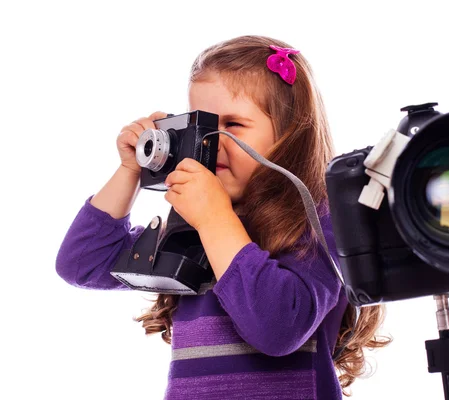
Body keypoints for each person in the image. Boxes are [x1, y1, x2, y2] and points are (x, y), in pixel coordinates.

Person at [56, 35, 391, 399]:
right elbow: (82, 263)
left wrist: (215, 220)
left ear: (289, 135)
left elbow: (277, 329)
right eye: (203, 124)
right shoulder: (193, 226)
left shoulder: (317, 221)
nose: (212, 142)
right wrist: (130, 170)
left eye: (233, 125)